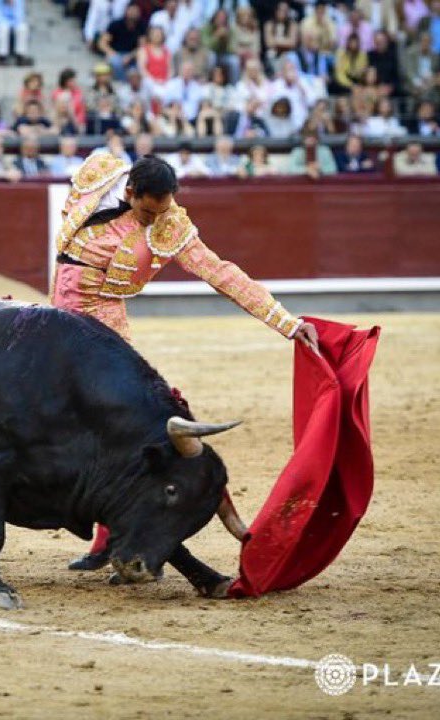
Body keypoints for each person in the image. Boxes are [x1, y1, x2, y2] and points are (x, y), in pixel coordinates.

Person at [52, 153, 318, 570]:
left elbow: (222, 274)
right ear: (128, 191)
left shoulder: (170, 226)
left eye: (161, 210)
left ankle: (175, 512)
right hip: (55, 318)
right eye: (145, 210)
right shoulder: (98, 174)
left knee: (133, 421)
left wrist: (287, 322)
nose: (152, 219)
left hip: (102, 326)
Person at [97, 2, 144, 80]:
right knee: (116, 62)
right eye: (131, 10)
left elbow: (142, 46)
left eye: (136, 11)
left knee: (136, 69)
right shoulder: (115, 24)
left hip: (133, 55)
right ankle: (122, 82)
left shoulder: (142, 27)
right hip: (115, 53)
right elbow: (102, 43)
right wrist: (112, 53)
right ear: (126, 11)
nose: (133, 13)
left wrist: (130, 56)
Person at [0, 0, 28, 66]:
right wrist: (9, 25)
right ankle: (2, 57)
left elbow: (20, 17)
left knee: (22, 28)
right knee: (3, 27)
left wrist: (13, 6)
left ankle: (20, 57)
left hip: (13, 23)